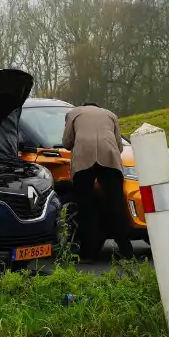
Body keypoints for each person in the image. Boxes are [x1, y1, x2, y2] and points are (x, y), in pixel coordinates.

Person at [62, 102, 134, 260]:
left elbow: (67, 143)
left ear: (84, 106)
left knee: (85, 204)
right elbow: (119, 146)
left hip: (84, 159)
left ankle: (89, 252)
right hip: (109, 157)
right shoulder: (110, 114)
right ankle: (126, 249)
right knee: (115, 202)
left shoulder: (73, 113)